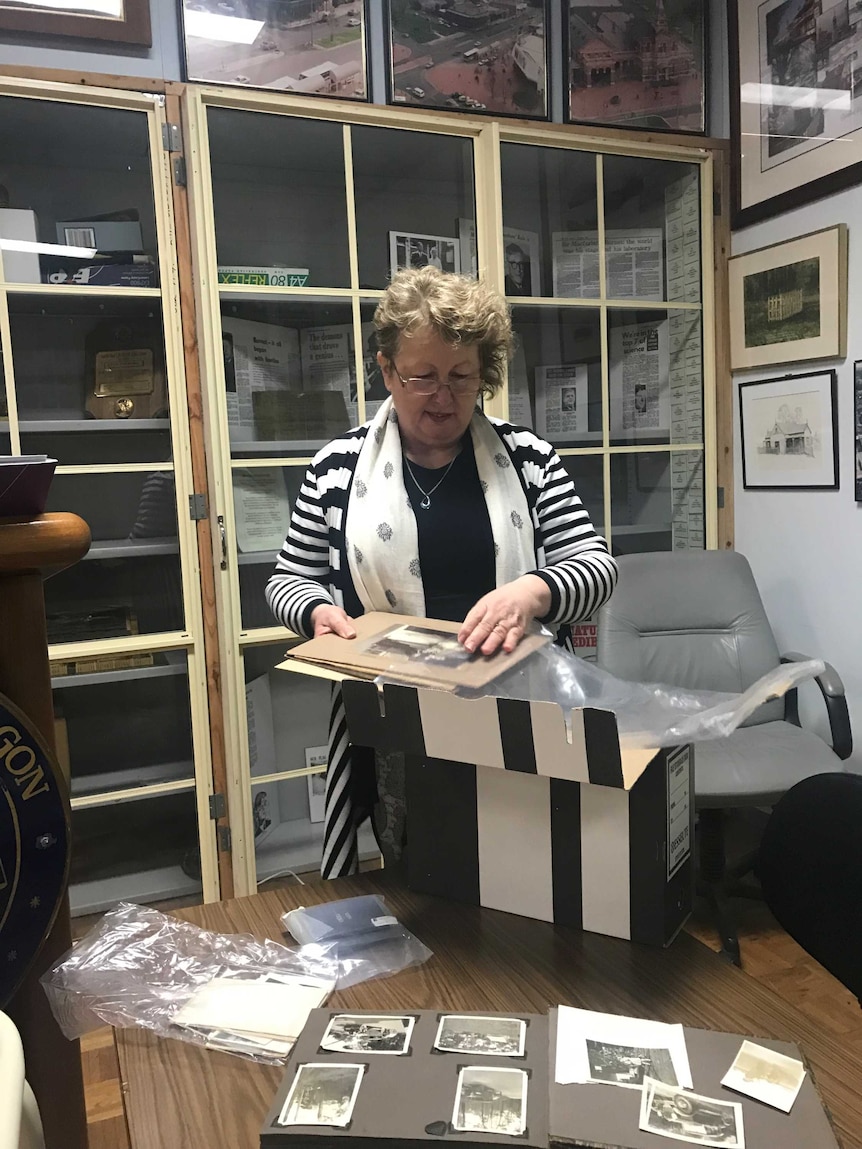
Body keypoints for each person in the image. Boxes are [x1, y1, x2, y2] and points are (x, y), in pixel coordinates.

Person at [266, 267, 618, 876]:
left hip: (516, 709)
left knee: (529, 866)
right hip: (394, 718)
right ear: (386, 371)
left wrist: (531, 592)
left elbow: (596, 566)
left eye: (461, 378)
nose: (443, 397)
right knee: (416, 868)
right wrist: (316, 611)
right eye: (422, 377)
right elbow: (286, 581)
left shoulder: (528, 459)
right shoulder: (337, 470)